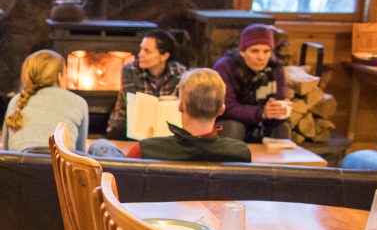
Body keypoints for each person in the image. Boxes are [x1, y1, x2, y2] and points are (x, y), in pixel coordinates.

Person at [124, 68, 252, 162]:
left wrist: (149, 143)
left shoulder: (144, 150)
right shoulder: (240, 153)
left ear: (180, 105)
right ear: (221, 109)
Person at [212, 24, 292, 142]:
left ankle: (279, 160)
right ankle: (229, 160)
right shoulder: (225, 67)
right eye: (255, 51)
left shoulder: (275, 68)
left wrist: (279, 109)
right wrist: (261, 112)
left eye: (266, 51)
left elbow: (277, 99)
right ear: (243, 52)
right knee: (234, 127)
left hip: (262, 120)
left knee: (282, 127)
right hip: (231, 120)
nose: (261, 57)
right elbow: (226, 107)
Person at [105, 28, 189, 138]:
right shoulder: (130, 70)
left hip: (165, 126)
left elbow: (177, 107)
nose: (140, 54)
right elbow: (133, 106)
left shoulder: (180, 73)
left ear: (164, 56)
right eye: (141, 49)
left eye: (147, 51)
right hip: (131, 123)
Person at [2, 49, 88, 151]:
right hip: (59, 166)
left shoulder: (16, 101)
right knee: (102, 145)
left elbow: (6, 149)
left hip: (19, 166)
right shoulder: (78, 103)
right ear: (60, 76)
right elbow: (80, 151)